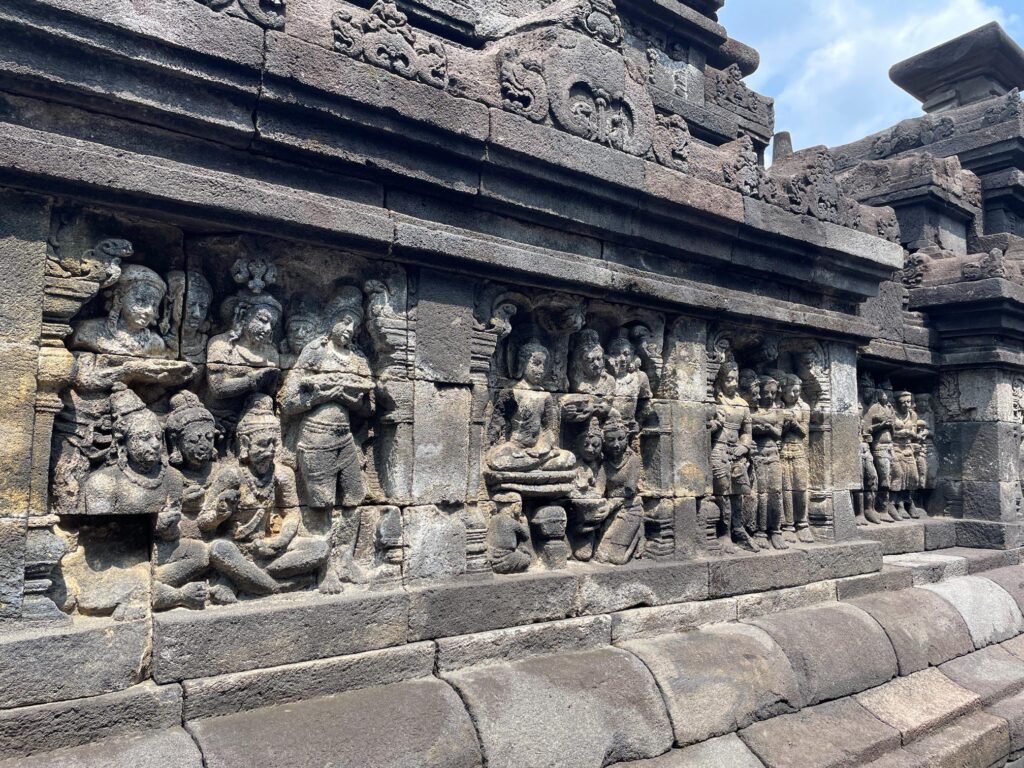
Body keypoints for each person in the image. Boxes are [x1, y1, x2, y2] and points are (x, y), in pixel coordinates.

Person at [200, 395, 329, 599]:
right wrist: (219, 514)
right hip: (237, 548)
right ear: (245, 443)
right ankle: (284, 585)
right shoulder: (231, 475)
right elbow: (203, 523)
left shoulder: (282, 474)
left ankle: (243, 580)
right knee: (218, 550)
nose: (269, 452)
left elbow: (292, 514)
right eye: (262, 445)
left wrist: (280, 541)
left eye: (273, 444)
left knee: (319, 548)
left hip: (269, 547)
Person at [707, 361, 757, 552]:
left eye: (735, 379)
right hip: (718, 449)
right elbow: (707, 426)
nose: (733, 383)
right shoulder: (714, 401)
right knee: (722, 491)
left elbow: (747, 432)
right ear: (721, 380)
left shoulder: (743, 404)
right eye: (728, 379)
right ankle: (724, 532)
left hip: (737, 452)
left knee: (738, 492)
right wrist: (714, 423)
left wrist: (743, 446)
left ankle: (738, 528)